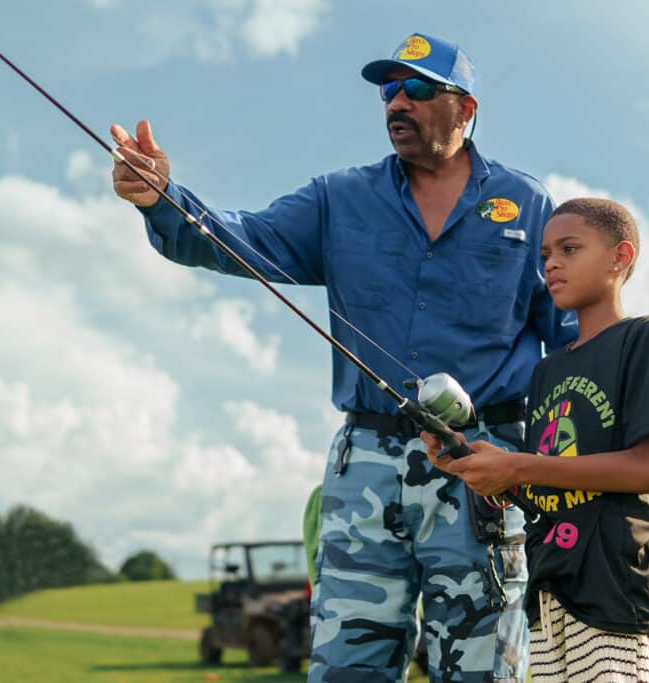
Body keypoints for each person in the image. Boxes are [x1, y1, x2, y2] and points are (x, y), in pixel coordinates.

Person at [110, 32, 576, 683]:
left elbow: (572, 346)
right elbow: (235, 239)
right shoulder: (340, 198)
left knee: (483, 673)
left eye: (417, 88)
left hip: (485, 473)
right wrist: (161, 198)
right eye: (389, 90)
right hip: (368, 470)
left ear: (466, 108)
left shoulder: (529, 206)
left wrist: (550, 476)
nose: (397, 103)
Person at [423, 198, 649, 682]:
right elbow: (542, 486)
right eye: (544, 256)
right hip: (549, 588)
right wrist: (474, 465)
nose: (552, 264)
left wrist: (519, 466)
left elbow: (646, 469)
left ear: (620, 258)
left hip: (613, 589)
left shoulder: (644, 337)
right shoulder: (546, 370)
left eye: (569, 248)